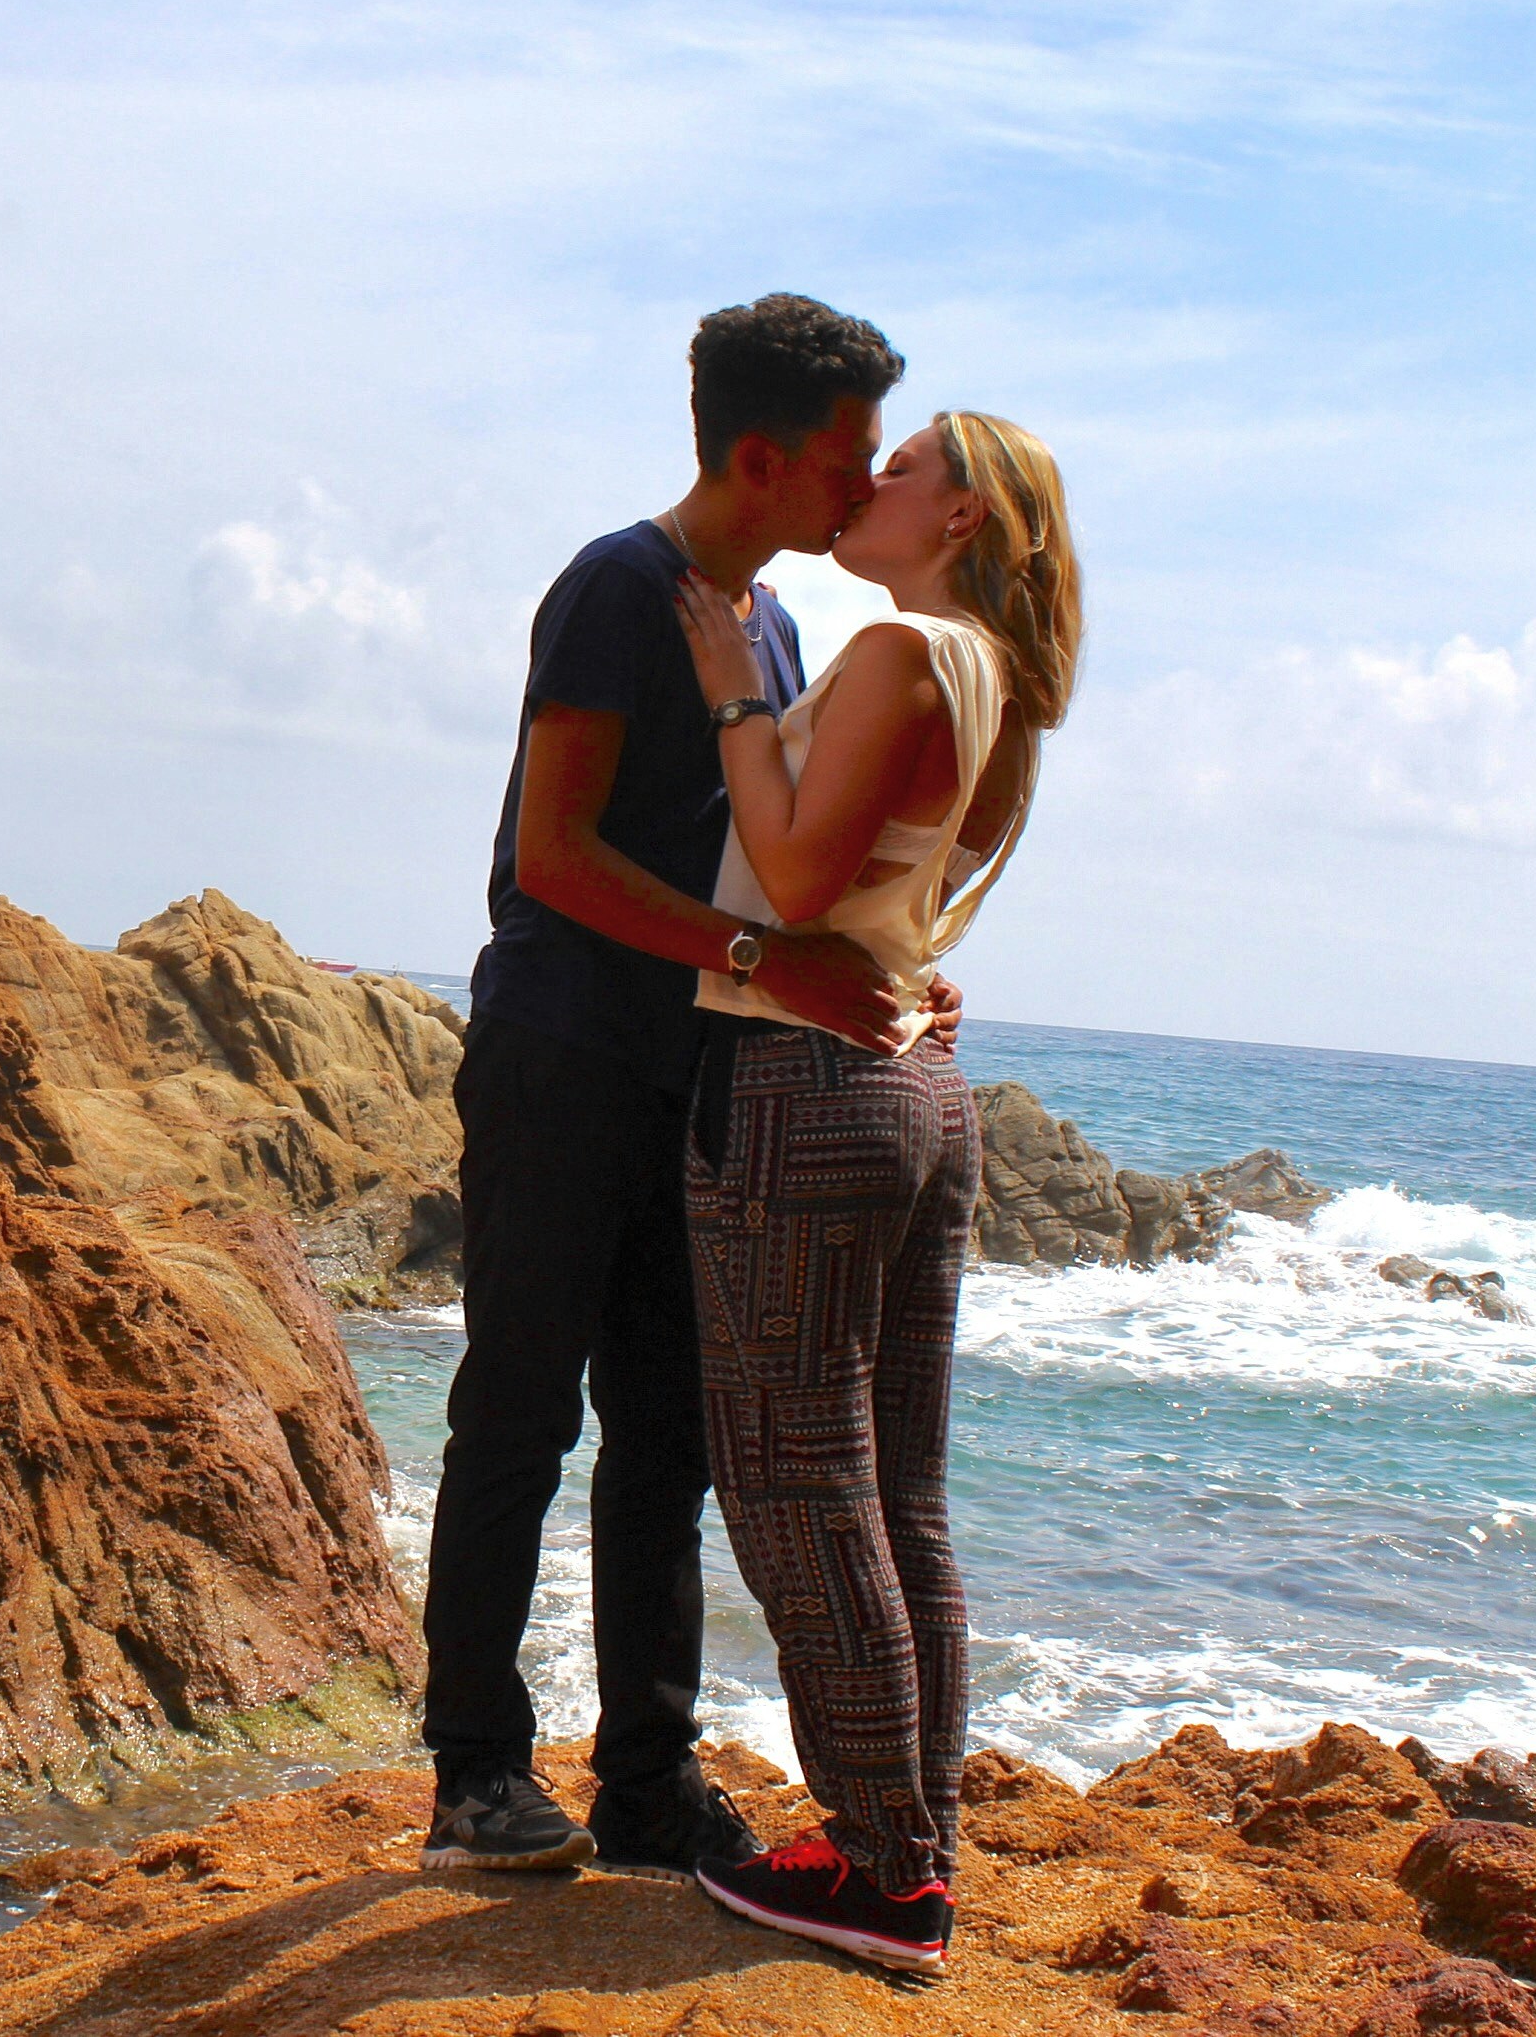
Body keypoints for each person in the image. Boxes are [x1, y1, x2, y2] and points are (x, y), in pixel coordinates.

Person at [419, 295, 960, 1878]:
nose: (862, 489)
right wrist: (763, 957)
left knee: (671, 1430)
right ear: (762, 455)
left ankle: (644, 1782)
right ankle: (473, 1772)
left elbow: (787, 866)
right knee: (518, 1408)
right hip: (565, 1049)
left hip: (702, 1071)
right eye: (850, 458)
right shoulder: (620, 587)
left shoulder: (775, 628)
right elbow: (552, 854)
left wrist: (883, 967)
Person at [667, 410, 1081, 1971]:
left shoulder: (904, 654)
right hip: (911, 1084)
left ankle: (886, 1875)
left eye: (899, 473)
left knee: (794, 1486)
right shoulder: (992, 681)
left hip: (797, 1084)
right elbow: (893, 894)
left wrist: (727, 698)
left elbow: (789, 881)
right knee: (896, 1494)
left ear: (962, 520)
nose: (867, 487)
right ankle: (914, 1845)